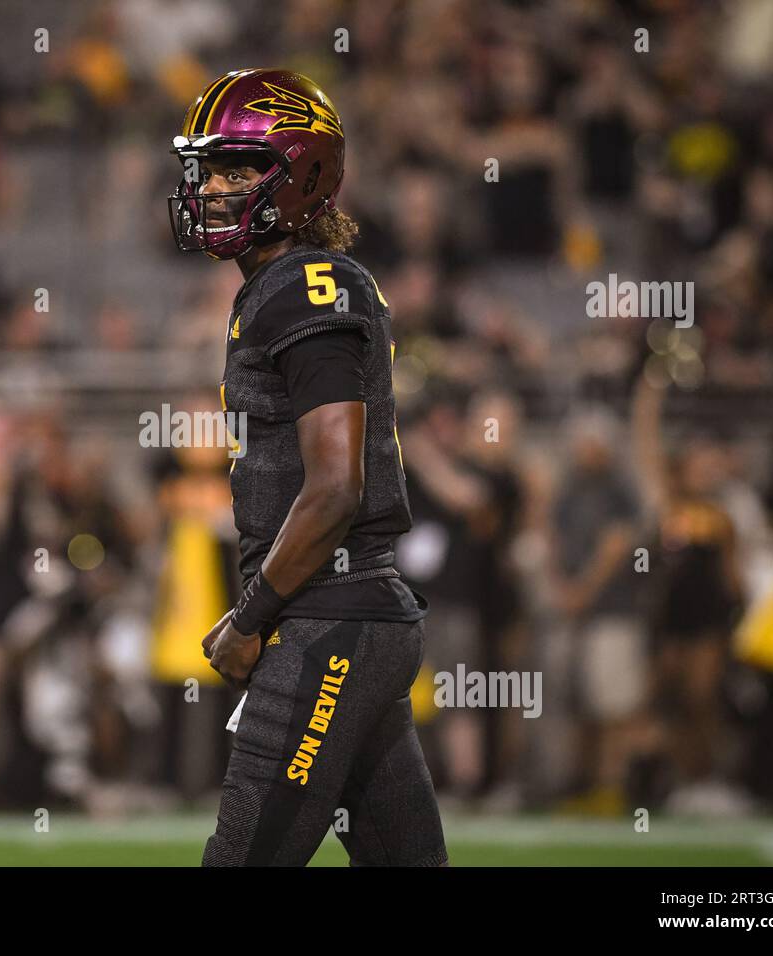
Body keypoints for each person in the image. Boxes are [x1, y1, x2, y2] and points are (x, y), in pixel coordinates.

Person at [167, 68, 447, 866]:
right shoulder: (286, 286)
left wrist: (249, 619)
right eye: (207, 170)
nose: (211, 188)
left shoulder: (303, 286)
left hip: (326, 620)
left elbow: (334, 488)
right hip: (360, 618)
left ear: (302, 172)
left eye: (235, 168)